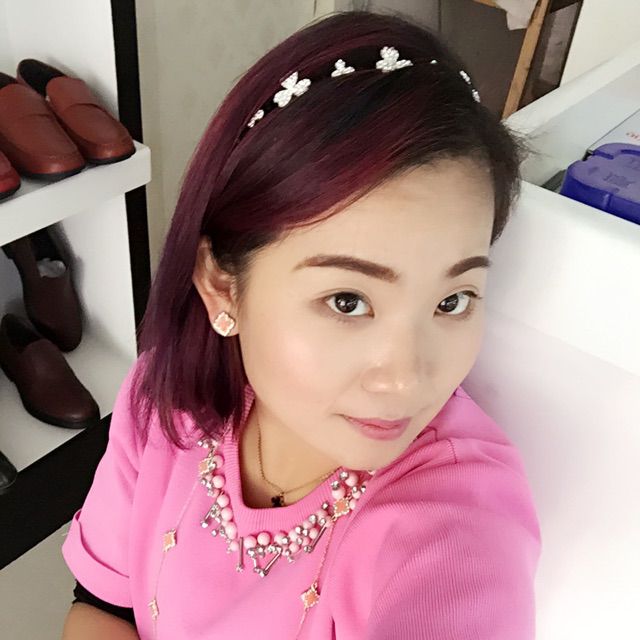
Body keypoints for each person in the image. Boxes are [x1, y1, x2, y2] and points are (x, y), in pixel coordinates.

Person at [60, 9, 541, 640]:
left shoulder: (450, 535)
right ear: (222, 284)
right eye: (347, 301)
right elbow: (103, 603)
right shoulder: (167, 396)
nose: (406, 379)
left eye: (452, 302)